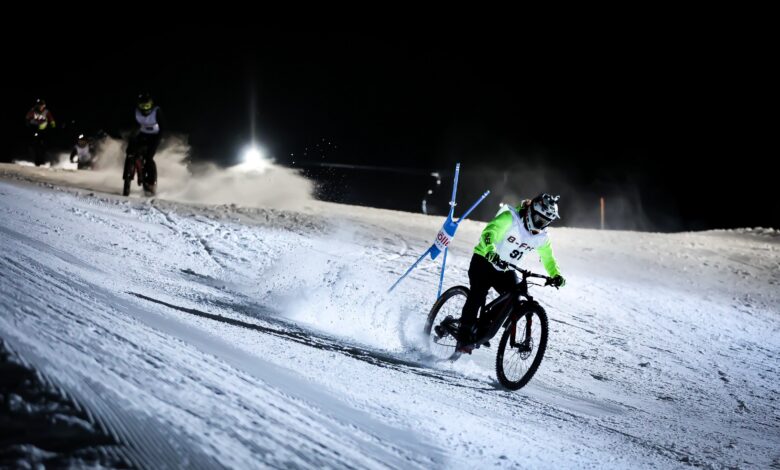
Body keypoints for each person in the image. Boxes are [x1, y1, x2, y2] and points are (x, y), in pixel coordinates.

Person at [457, 193, 566, 352]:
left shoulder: (542, 237)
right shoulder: (511, 218)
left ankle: (483, 328)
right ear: (531, 211)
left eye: (545, 222)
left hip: (506, 269)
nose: (540, 225)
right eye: (539, 219)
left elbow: (548, 258)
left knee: (514, 298)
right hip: (484, 261)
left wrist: (556, 275)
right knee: (477, 296)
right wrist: (490, 251)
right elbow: (489, 233)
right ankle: (463, 335)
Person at [125, 92, 164, 194]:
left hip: (155, 136)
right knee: (131, 149)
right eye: (143, 106)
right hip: (143, 134)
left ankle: (151, 183)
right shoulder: (136, 112)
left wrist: (158, 138)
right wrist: (130, 134)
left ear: (151, 104)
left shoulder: (156, 111)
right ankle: (129, 170)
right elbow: (132, 124)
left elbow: (162, 127)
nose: (145, 108)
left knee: (149, 158)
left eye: (147, 106)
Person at [25, 99, 56, 166]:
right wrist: (28, 123)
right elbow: (27, 117)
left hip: (43, 130)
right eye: (38, 105)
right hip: (34, 129)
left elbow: (51, 119)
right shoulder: (33, 110)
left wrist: (52, 124)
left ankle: (43, 159)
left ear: (44, 105)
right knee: (35, 143)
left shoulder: (46, 111)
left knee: (44, 144)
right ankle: (35, 158)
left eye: (41, 105)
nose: (40, 107)